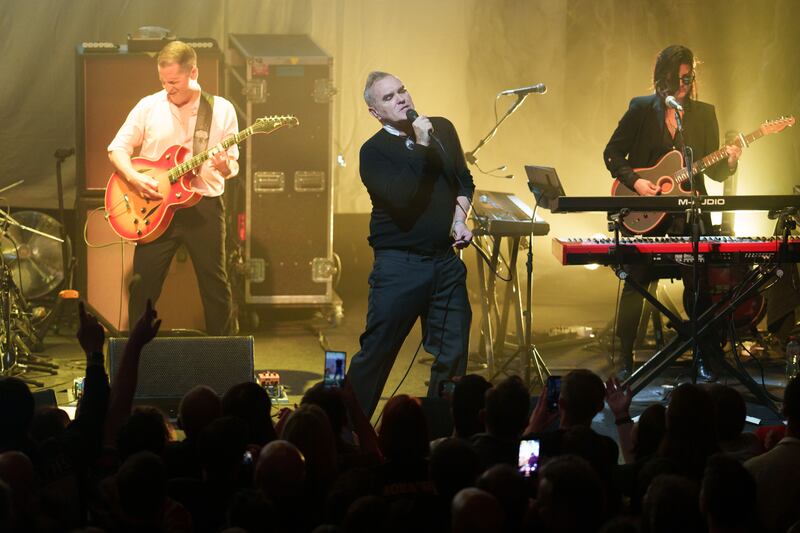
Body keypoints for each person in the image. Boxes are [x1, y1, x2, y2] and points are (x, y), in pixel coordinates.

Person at [603, 44, 742, 380]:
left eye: (688, 76)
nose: (684, 82)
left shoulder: (704, 113)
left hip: (688, 221)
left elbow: (714, 171)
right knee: (635, 281)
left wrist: (732, 161)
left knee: (699, 284)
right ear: (662, 78)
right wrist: (636, 183)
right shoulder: (640, 109)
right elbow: (612, 154)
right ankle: (624, 356)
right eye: (678, 76)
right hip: (646, 219)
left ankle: (704, 354)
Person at [347, 71, 475, 417]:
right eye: (388, 97)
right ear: (375, 112)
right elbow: (401, 198)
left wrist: (459, 219)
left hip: (445, 263)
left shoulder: (442, 129)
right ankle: (348, 430)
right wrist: (420, 144)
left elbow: (463, 179)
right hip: (400, 265)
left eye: (402, 90)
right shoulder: (373, 152)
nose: (401, 98)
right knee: (377, 351)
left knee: (452, 355)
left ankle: (439, 433)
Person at [108, 40, 238, 335]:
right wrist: (133, 177)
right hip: (155, 207)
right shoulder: (148, 106)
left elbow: (232, 166)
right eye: (163, 81)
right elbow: (117, 149)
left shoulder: (221, 110)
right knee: (143, 287)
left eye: (174, 82)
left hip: (203, 205)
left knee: (215, 286)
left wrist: (223, 166)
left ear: (194, 72)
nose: (168, 88)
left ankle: (225, 357)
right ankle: (135, 358)